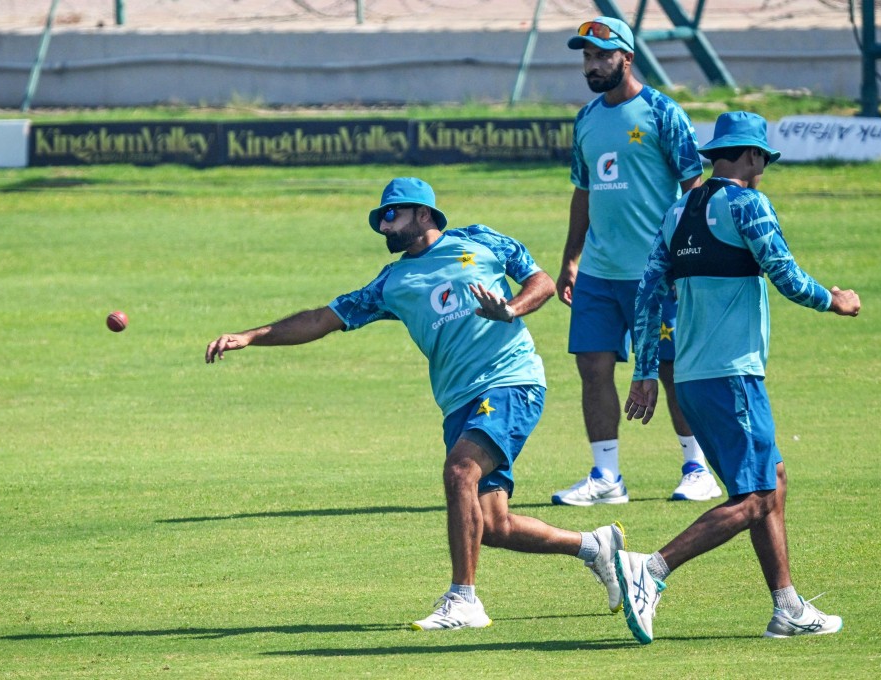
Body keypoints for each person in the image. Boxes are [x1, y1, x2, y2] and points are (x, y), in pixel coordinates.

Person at [205, 177, 627, 630]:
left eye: (392, 215)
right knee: (493, 524)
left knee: (460, 471)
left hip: (511, 382)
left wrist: (511, 309)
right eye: (381, 219)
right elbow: (321, 319)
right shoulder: (391, 283)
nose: (384, 226)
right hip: (458, 401)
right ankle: (595, 546)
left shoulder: (480, 240)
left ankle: (464, 600)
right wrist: (249, 336)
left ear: (424, 213)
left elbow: (540, 281)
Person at [614, 111, 861, 644]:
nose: (763, 169)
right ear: (751, 156)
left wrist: (644, 372)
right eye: (763, 160)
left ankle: (788, 607)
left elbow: (647, 293)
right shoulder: (748, 204)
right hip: (733, 377)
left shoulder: (678, 210)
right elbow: (786, 276)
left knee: (771, 479)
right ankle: (651, 569)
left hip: (694, 380)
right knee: (751, 498)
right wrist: (835, 301)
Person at [551, 16, 723, 507]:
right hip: (599, 274)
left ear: (626, 57)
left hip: (657, 272)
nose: (591, 65)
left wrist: (688, 254)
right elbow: (583, 192)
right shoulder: (585, 118)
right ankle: (607, 477)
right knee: (593, 367)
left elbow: (695, 187)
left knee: (670, 369)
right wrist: (571, 259)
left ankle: (697, 467)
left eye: (601, 56)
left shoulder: (663, 112)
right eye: (585, 57)